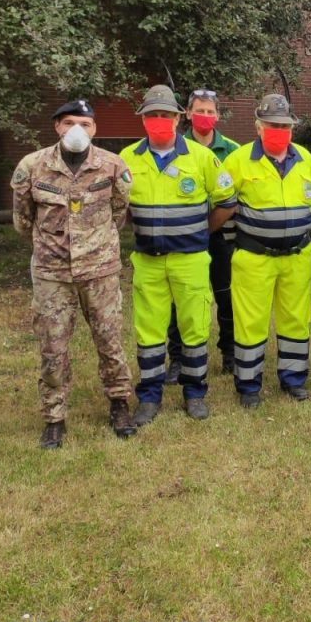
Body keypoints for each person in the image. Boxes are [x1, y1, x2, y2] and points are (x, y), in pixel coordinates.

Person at [11, 99, 137, 448]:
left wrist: (94, 244)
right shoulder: (32, 166)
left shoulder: (112, 166)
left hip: (100, 272)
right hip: (53, 275)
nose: (76, 130)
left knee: (110, 342)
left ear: (95, 129)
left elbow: (118, 212)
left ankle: (119, 404)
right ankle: (54, 418)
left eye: (85, 123)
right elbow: (22, 221)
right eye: (68, 122)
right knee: (53, 350)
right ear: (56, 127)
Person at [121, 86, 237, 424]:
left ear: (176, 118)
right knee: (150, 331)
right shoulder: (127, 159)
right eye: (152, 116)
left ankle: (195, 392)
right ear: (143, 119)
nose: (159, 121)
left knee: (194, 327)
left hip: (190, 259)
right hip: (148, 260)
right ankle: (149, 396)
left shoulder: (202, 158)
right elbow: (118, 206)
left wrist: (201, 231)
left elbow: (227, 203)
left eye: (165, 115)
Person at [214, 93, 311, 407]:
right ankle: (248, 387)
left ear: (292, 129)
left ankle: (293, 379)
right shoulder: (238, 160)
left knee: (296, 320)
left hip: (296, 257)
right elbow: (223, 202)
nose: (279, 131)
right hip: (254, 257)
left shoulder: (305, 158)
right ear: (258, 126)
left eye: (284, 126)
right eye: (272, 125)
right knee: (251, 322)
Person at [165, 88, 240, 382]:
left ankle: (230, 353)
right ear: (187, 113)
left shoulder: (233, 150)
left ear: (218, 115)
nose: (204, 117)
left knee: (226, 296)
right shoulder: (175, 147)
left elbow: (236, 196)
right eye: (199, 111)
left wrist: (209, 226)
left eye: (210, 112)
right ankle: (178, 358)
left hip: (222, 235)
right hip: (183, 237)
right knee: (180, 299)